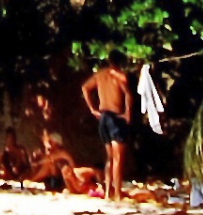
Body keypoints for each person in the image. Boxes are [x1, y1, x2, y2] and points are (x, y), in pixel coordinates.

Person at [82, 56, 134, 202]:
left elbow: (85, 88)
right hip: (115, 117)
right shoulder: (119, 75)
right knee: (118, 159)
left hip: (103, 117)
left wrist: (92, 109)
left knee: (109, 158)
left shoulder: (100, 74)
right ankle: (117, 194)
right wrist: (127, 114)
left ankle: (107, 194)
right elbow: (128, 95)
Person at [28, 89, 101, 195]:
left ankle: (31, 180)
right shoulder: (54, 156)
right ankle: (31, 180)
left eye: (51, 142)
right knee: (50, 168)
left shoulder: (61, 154)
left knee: (49, 167)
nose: (49, 144)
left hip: (71, 177)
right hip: (63, 178)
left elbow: (95, 172)